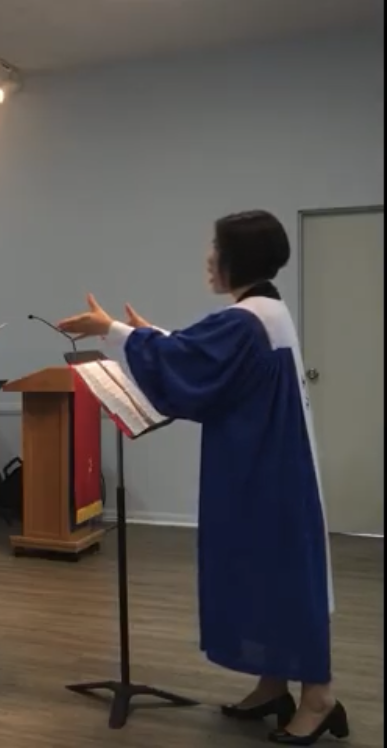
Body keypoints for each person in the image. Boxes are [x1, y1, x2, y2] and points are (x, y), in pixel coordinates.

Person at [57, 210, 346, 746]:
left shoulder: (245, 319)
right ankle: (274, 683)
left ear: (239, 257)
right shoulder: (263, 312)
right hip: (266, 463)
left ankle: (319, 698)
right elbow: (202, 357)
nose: (209, 257)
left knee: (282, 576)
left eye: (217, 247)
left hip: (265, 471)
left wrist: (112, 331)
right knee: (262, 571)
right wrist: (150, 336)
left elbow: (192, 362)